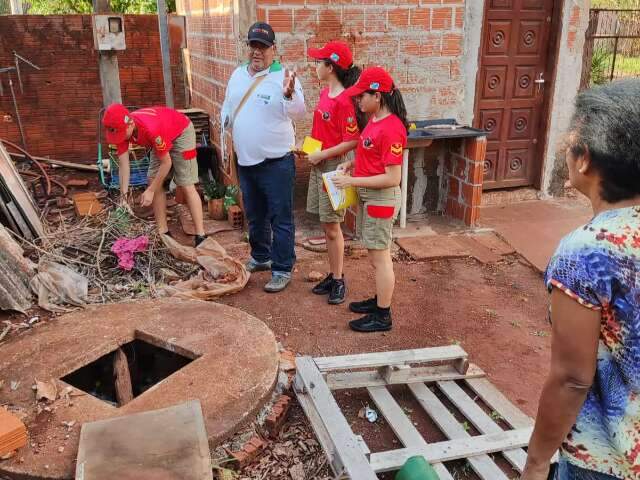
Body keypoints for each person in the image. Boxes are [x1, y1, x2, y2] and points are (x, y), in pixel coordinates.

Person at [521, 79, 640, 480]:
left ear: (585, 159)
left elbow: (572, 378)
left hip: (608, 459)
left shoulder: (587, 253)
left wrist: (537, 461)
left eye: (570, 141)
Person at [220, 22, 305, 293]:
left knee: (280, 217)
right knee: (255, 215)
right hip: (246, 161)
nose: (257, 52)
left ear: (274, 50)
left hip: (277, 163)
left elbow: (300, 112)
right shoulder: (237, 75)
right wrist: (224, 122)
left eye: (263, 47)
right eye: (253, 46)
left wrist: (290, 95)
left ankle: (281, 268)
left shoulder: (284, 77)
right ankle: (260, 256)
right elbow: (229, 104)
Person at [333, 66, 408, 333]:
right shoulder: (376, 121)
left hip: (381, 198)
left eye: (362, 96)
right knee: (374, 254)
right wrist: (351, 165)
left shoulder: (392, 128)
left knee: (380, 257)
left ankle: (383, 314)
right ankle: (379, 301)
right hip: (370, 197)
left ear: (378, 96)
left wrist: (352, 181)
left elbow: (392, 177)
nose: (358, 100)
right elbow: (371, 156)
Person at [303, 40, 364, 305]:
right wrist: (305, 148)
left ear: (331, 67)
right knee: (326, 224)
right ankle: (333, 273)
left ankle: (338, 279)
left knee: (332, 227)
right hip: (319, 163)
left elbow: (352, 140)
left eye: (319, 62)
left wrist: (321, 155)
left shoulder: (346, 100)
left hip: (334, 167)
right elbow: (321, 133)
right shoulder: (325, 94)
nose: (315, 66)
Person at [102, 104, 206, 246]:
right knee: (153, 180)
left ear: (130, 123)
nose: (119, 137)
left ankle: (201, 236)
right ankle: (163, 232)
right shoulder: (122, 131)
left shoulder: (150, 128)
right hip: (161, 137)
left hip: (181, 132)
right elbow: (123, 165)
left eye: (120, 133)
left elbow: (166, 163)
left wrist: (150, 191)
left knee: (186, 184)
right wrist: (123, 197)